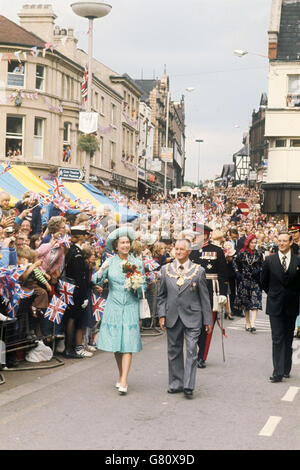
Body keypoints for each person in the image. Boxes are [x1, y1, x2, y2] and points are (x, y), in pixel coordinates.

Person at [93, 226, 146, 395]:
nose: (125, 245)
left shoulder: (137, 263)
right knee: (117, 344)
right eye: (122, 243)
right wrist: (101, 270)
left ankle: (124, 380)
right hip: (114, 305)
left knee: (128, 343)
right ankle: (121, 374)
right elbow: (96, 282)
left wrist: (136, 284)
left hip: (130, 305)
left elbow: (142, 289)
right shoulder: (110, 262)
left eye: (127, 242)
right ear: (116, 246)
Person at [157, 239, 212, 399]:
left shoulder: (199, 271)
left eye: (182, 249)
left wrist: (207, 320)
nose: (179, 251)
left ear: (189, 252)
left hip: (193, 316)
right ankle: (175, 383)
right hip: (172, 316)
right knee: (173, 351)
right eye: (177, 248)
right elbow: (161, 296)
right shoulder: (165, 269)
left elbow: (205, 298)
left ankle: (188, 385)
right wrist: (162, 315)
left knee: (191, 351)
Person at [261, 232, 300, 382]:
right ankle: (277, 372)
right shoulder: (270, 260)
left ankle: (286, 368)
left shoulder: (298, 261)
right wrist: (273, 294)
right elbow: (263, 282)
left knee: (288, 338)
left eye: (285, 241)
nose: (282, 243)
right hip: (275, 304)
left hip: (291, 304)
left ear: (291, 242)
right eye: (280, 241)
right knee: (277, 338)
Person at [190, 224, 228, 368]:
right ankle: (192, 353)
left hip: (211, 289)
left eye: (201, 234)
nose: (198, 237)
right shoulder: (192, 250)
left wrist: (223, 294)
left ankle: (202, 356)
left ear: (207, 235)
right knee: (193, 323)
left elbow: (223, 274)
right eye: (196, 234)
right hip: (193, 291)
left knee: (207, 324)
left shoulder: (217, 250)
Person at [233, 234, 263, 333]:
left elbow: (263, 265)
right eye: (252, 242)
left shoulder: (259, 253)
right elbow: (234, 262)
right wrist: (237, 272)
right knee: (246, 302)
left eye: (255, 243)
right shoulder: (242, 253)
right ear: (248, 243)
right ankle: (247, 322)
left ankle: (253, 324)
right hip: (244, 279)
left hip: (255, 280)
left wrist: (258, 270)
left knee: (255, 301)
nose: (254, 244)